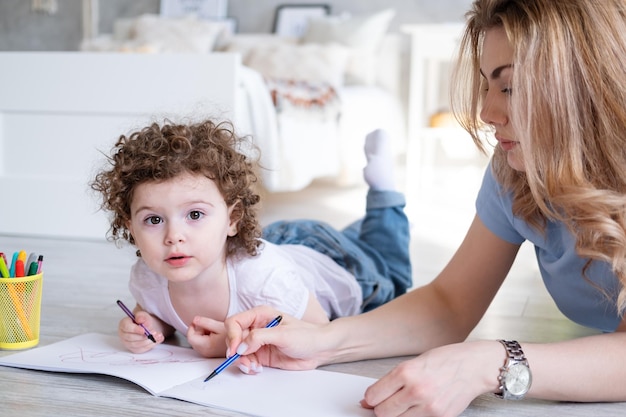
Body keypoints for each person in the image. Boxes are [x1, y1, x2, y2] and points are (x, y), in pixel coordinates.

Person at [193, 1, 626, 416]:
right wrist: (323, 340)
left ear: (582, 84)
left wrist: (490, 363)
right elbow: (449, 304)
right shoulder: (513, 173)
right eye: (486, 84)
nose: (486, 111)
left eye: (509, 86)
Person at [90, 118, 412, 357]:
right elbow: (159, 315)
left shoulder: (264, 279)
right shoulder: (149, 275)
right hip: (269, 246)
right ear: (130, 227)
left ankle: (384, 190)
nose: (174, 237)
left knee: (392, 275)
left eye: (195, 215)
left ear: (232, 218)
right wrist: (147, 329)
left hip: (331, 264)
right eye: (154, 219)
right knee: (359, 242)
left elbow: (318, 332)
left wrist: (230, 346)